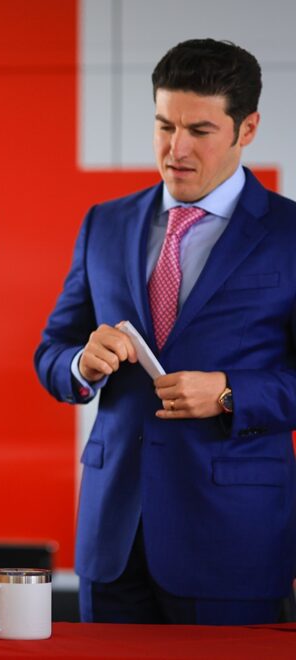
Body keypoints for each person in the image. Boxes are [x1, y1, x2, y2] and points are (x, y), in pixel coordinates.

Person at [34, 39, 296, 625]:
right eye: (164, 125)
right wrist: (81, 363)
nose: (176, 149)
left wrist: (229, 392)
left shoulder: (289, 233)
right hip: (113, 537)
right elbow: (52, 351)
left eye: (200, 130)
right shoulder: (105, 222)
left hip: (234, 540)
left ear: (248, 128)